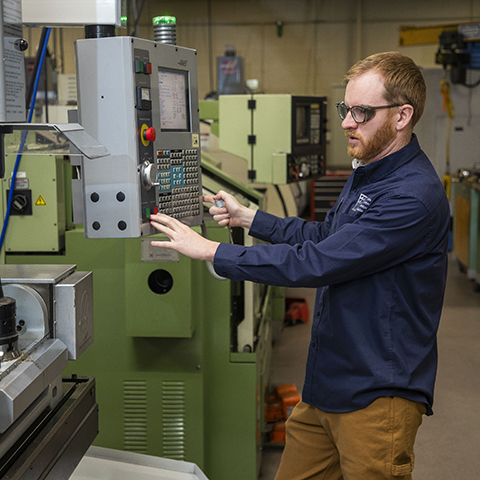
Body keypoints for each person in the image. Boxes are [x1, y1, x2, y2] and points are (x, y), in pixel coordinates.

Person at [150, 51, 450, 480]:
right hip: (328, 383)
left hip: (377, 393)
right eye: (346, 109)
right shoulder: (369, 172)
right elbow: (325, 237)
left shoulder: (412, 196)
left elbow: (319, 262)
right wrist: (250, 219)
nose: (347, 122)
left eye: (361, 112)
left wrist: (214, 252)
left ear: (402, 116)